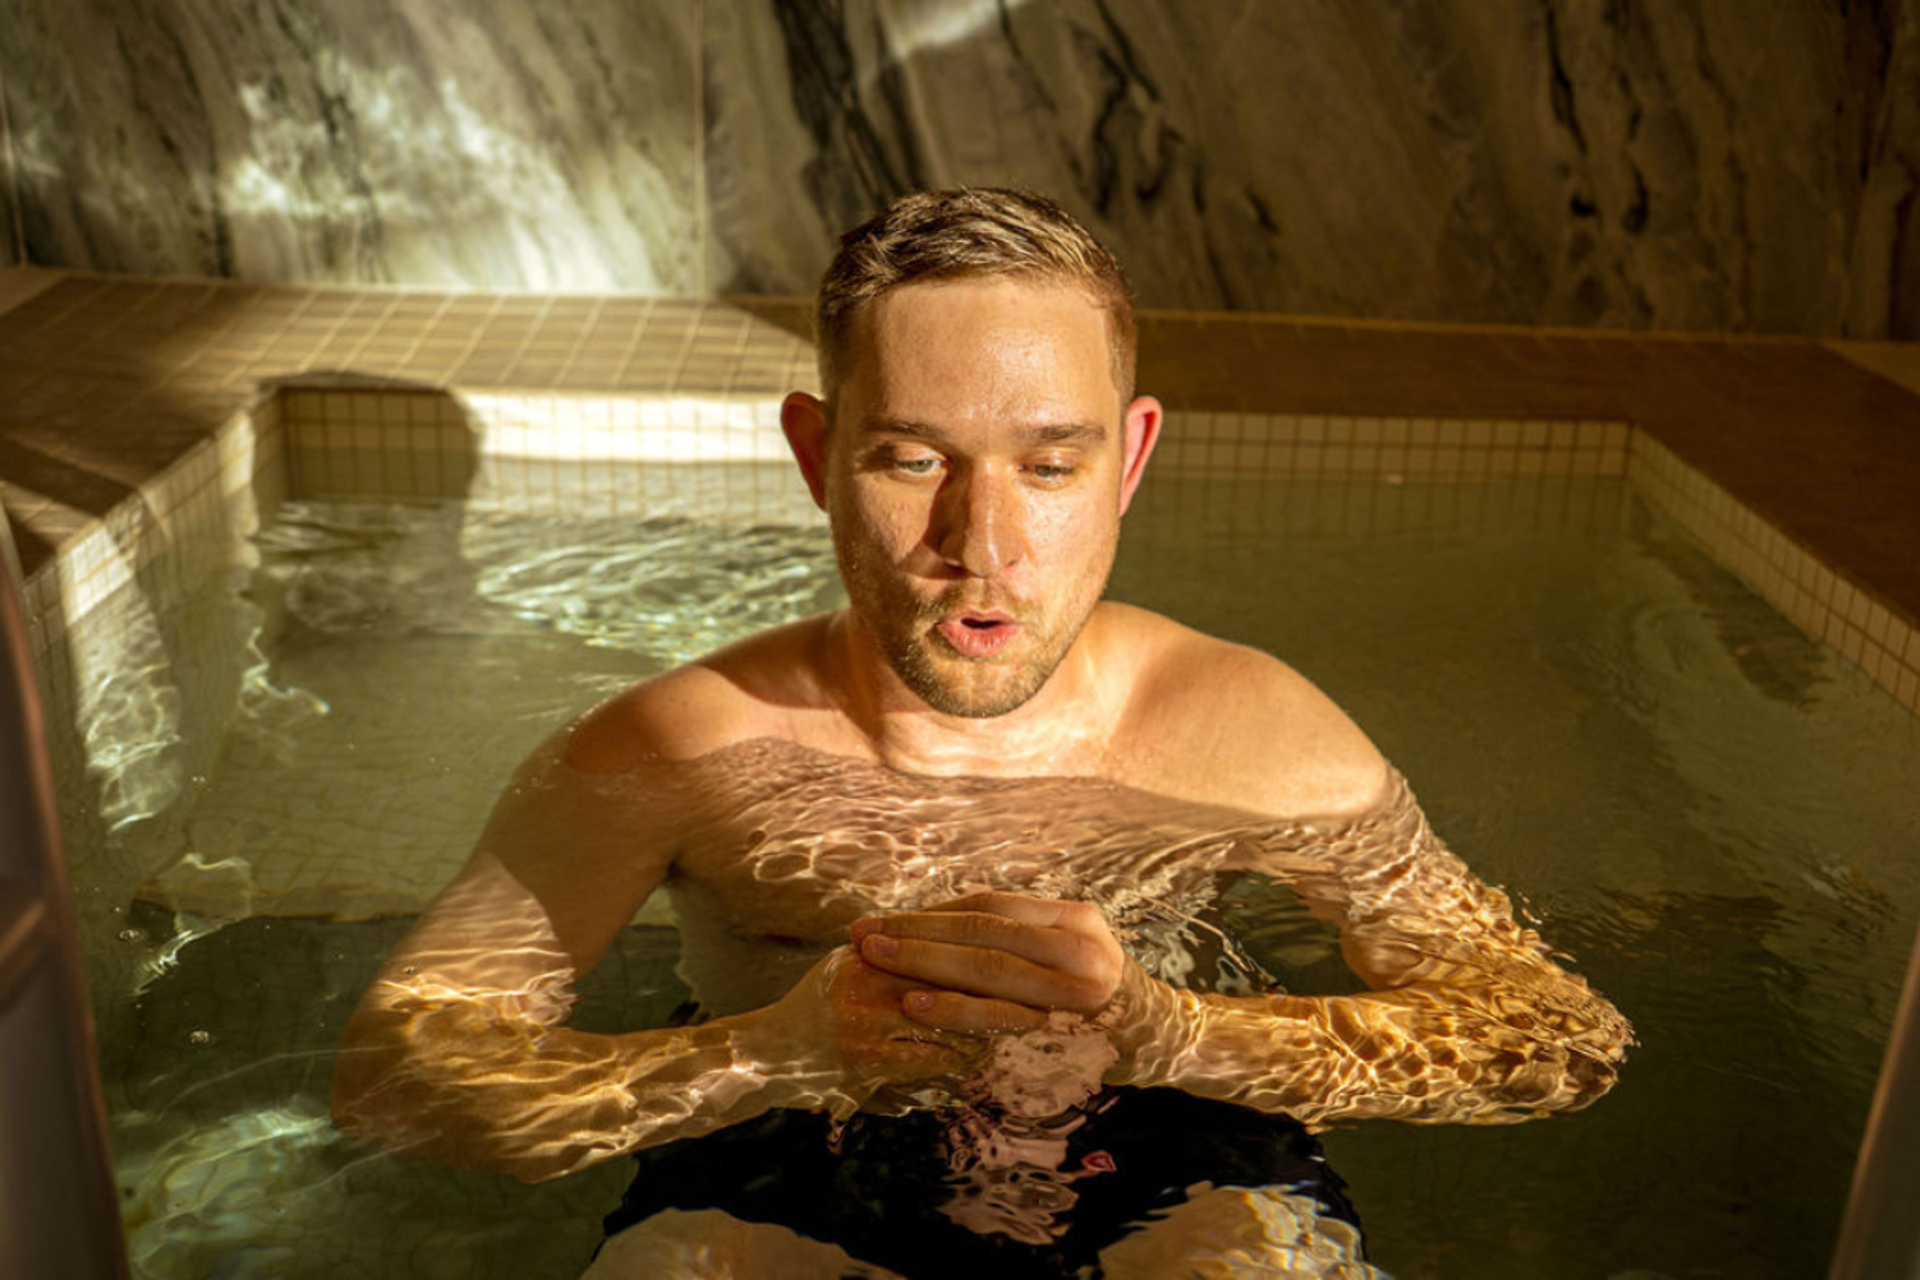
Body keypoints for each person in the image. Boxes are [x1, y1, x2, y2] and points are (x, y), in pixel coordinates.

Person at [330, 188, 1632, 1277]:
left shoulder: (1249, 736)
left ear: (1129, 461)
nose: (983, 545)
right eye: (914, 460)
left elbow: (1552, 1041)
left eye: (1049, 466)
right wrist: (765, 1052)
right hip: (775, 1163)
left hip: (1180, 1160)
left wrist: (1173, 1034)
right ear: (817, 455)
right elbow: (399, 1080)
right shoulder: (676, 752)